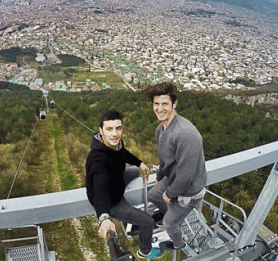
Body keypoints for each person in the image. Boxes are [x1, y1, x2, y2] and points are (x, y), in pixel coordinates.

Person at [85, 110, 165, 259]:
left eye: (118, 128)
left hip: (117, 180)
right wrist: (104, 218)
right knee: (147, 221)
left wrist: (140, 163)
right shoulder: (97, 160)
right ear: (101, 130)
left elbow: (123, 153)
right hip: (112, 201)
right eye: (109, 129)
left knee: (135, 170)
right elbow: (100, 189)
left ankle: (137, 168)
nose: (115, 134)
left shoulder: (115, 144)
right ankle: (145, 251)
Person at [145, 82, 207, 251]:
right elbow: (165, 160)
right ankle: (171, 214)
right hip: (173, 179)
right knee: (152, 195)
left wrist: (169, 194)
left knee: (168, 225)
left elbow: (186, 176)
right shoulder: (161, 130)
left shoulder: (185, 134)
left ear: (174, 104)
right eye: (156, 104)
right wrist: (160, 179)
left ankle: (179, 244)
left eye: (165, 103)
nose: (159, 108)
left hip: (190, 190)